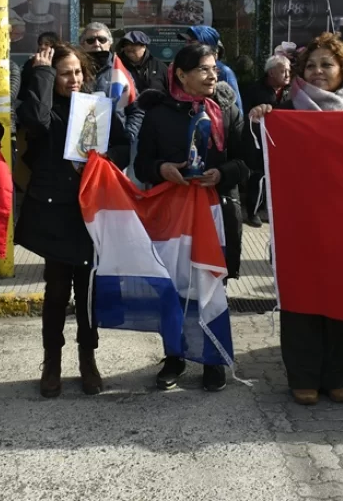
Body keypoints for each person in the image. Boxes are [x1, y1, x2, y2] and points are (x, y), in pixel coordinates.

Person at [249, 33, 343, 406]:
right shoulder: (284, 110)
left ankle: (338, 374)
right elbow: (256, 162)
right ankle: (302, 376)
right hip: (300, 225)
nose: (318, 71)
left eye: (327, 64)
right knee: (301, 299)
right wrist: (259, 121)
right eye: (310, 66)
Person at [15, 42, 129, 398]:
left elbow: (124, 144)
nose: (73, 79)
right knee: (57, 291)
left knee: (88, 293)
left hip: (89, 211)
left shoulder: (96, 105)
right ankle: (52, 362)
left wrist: (104, 159)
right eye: (65, 73)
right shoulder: (44, 103)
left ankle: (87, 359)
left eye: (77, 71)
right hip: (55, 212)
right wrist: (43, 75)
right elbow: (36, 121)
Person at [135, 43, 249, 392]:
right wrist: (162, 168)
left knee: (211, 286)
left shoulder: (225, 110)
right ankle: (175, 357)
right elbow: (141, 165)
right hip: (172, 217)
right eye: (203, 68)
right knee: (173, 287)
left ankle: (212, 359)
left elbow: (246, 163)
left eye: (214, 67)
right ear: (181, 75)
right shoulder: (158, 114)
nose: (212, 74)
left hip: (217, 211)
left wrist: (223, 173)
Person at [242, 54, 291, 227]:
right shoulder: (254, 90)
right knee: (259, 176)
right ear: (271, 73)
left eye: (289, 71)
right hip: (258, 141)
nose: (287, 74)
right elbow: (245, 116)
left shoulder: (291, 92)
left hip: (282, 142)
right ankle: (252, 212)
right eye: (283, 71)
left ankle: (269, 210)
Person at [79, 22, 143, 140]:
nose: (96, 44)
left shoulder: (121, 72)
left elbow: (137, 109)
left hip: (115, 147)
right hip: (79, 145)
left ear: (110, 43)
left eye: (102, 39)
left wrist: (128, 134)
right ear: (82, 44)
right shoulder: (75, 70)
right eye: (90, 40)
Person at [179, 26, 243, 114]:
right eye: (186, 41)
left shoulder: (224, 72)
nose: (186, 45)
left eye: (191, 42)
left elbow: (236, 112)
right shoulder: (182, 68)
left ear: (206, 45)